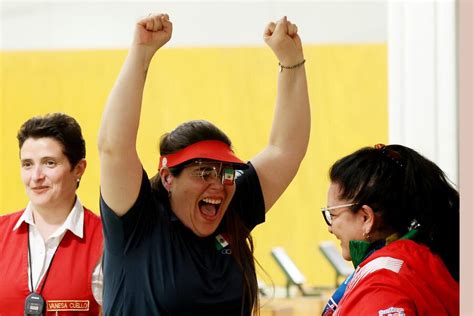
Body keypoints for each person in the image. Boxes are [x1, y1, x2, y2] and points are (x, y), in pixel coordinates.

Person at [97, 13, 310, 315]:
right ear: (168, 177)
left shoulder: (232, 212)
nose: (219, 184)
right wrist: (141, 54)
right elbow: (113, 147)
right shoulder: (137, 223)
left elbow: (285, 149)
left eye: (226, 172)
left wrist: (292, 62)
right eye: (203, 172)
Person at [321, 144, 459, 315]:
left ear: (366, 218)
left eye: (333, 214)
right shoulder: (425, 261)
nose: (330, 227)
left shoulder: (382, 285)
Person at [0, 113, 103, 315]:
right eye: (27, 164)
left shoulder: (106, 240)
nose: (36, 177)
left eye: (49, 163)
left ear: (79, 169)